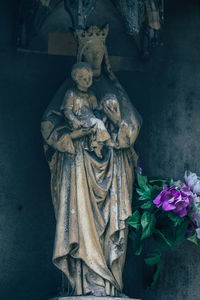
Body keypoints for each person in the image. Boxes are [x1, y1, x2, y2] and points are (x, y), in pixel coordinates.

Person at [41, 24, 141, 297]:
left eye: (100, 54)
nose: (95, 59)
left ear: (105, 56)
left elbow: (131, 128)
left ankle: (109, 285)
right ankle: (81, 283)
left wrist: (118, 122)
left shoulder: (113, 89)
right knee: (80, 222)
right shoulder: (69, 92)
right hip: (79, 170)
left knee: (111, 226)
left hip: (112, 172)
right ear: (81, 59)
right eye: (90, 54)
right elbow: (49, 124)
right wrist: (72, 136)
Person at [61, 62, 116, 158]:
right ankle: (107, 141)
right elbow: (66, 110)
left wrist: (104, 108)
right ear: (76, 79)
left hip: (90, 120)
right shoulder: (71, 93)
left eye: (89, 78)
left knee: (98, 123)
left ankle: (97, 147)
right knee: (97, 123)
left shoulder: (91, 94)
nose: (88, 81)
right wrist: (74, 120)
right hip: (79, 121)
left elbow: (96, 109)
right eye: (84, 79)